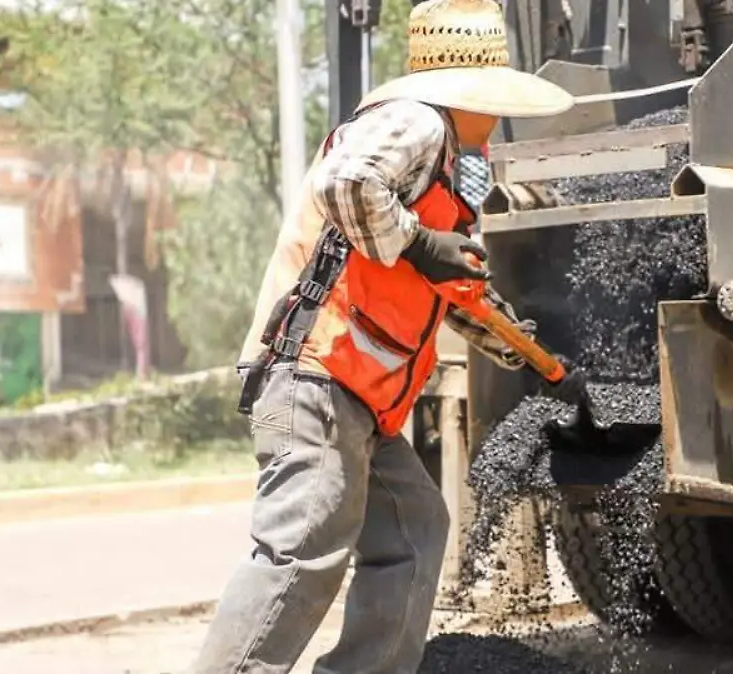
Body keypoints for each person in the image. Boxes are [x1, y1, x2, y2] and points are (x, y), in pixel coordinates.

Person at [190, 1, 574, 672]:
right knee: (303, 549)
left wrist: (537, 359)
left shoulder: (448, 174)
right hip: (315, 375)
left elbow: (454, 294)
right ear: (473, 91)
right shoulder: (417, 121)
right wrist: (421, 243)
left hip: (360, 402)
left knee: (416, 529)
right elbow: (343, 182)